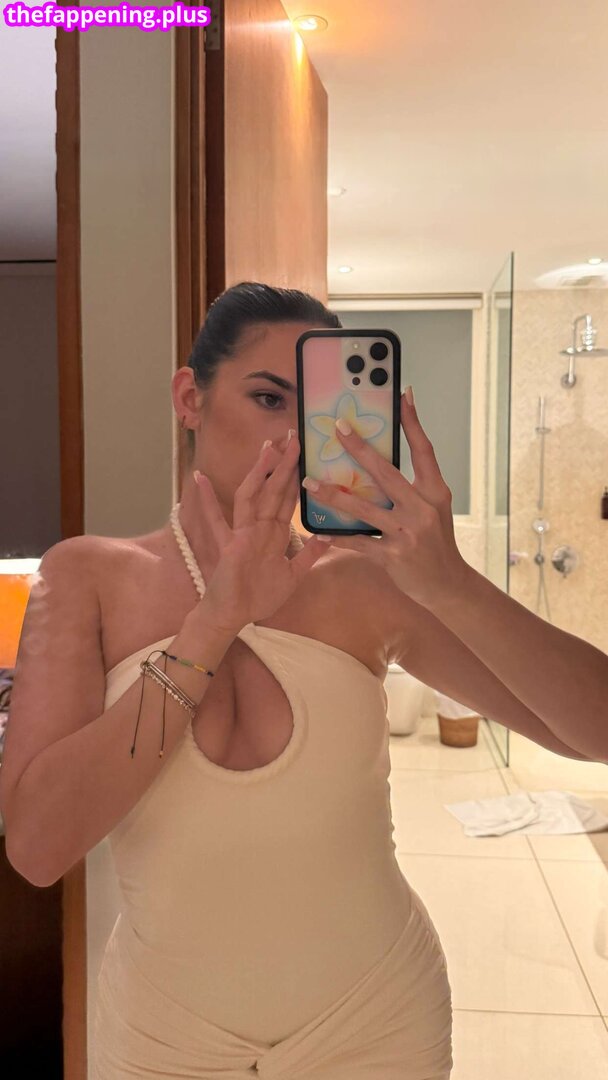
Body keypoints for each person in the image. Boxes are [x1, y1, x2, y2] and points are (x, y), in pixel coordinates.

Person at [2, 281, 605, 1080]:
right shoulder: (88, 577)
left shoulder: (365, 582)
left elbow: (595, 734)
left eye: (320, 409)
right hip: (163, 1040)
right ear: (190, 398)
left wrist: (454, 584)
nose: (296, 435)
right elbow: (38, 847)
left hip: (378, 1025)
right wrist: (212, 624)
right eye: (267, 398)